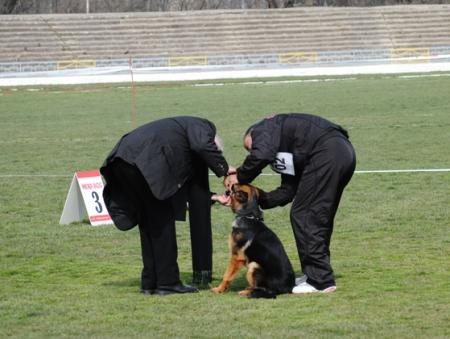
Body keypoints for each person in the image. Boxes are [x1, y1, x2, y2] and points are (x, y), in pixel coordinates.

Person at [224, 113, 356, 294]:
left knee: (304, 214)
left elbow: (261, 154)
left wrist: (238, 176)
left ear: (252, 135)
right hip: (340, 154)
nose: (252, 153)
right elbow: (288, 190)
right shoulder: (290, 151)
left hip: (328, 152)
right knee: (317, 215)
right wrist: (256, 198)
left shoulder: (264, 128)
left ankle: (320, 280)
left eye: (251, 148)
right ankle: (315, 273)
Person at [100, 116, 230, 295]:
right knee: (162, 223)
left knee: (147, 222)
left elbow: (180, 189)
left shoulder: (177, 139)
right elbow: (202, 146)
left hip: (122, 159)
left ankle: (150, 282)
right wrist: (225, 169)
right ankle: (168, 283)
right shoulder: (204, 126)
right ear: (214, 145)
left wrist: (213, 197)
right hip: (143, 162)